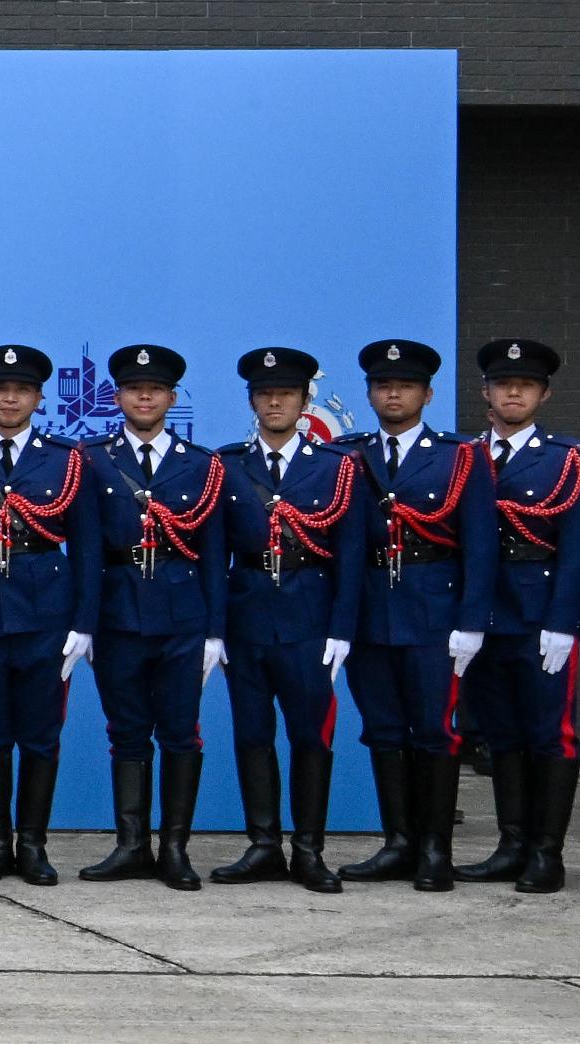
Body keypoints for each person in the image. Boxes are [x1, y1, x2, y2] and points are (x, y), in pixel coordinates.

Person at [0, 344, 98, 886]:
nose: (11, 397)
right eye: (0, 389)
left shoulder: (66, 458)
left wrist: (83, 622)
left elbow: (88, 547)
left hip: (47, 616)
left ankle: (32, 844)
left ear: (38, 397)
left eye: (23, 389)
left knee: (40, 735)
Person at [339, 337, 492, 890]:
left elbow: (479, 543)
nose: (393, 393)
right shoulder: (348, 454)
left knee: (433, 731)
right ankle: (397, 842)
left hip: (435, 610)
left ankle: (434, 847)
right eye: (383, 385)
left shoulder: (458, 456)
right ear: (371, 394)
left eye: (404, 385)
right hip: (369, 610)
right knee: (382, 729)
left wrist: (472, 621)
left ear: (428, 393)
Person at [75, 343, 223, 892]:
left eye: (155, 389)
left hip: (183, 616)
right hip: (118, 615)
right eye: (135, 389)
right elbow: (87, 549)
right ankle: (131, 844)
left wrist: (215, 631)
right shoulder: (92, 460)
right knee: (128, 733)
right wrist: (85, 623)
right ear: (117, 398)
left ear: (172, 398)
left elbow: (213, 553)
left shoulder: (202, 464)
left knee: (181, 734)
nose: (144, 396)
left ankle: (175, 849)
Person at [215, 347, 360, 892]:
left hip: (310, 619)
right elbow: (213, 554)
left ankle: (308, 850)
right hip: (246, 616)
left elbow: (349, 555)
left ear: (304, 402)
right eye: (264, 394)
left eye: (286, 394)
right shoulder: (228, 465)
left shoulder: (334, 467)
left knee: (310, 738)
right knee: (252, 735)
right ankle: (262, 845)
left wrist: (342, 628)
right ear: (252, 401)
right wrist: (215, 629)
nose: (274, 402)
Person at [457, 338, 580, 892]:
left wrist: (565, 622)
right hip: (481, 614)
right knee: (500, 735)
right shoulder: (464, 456)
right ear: (485, 391)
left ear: (544, 394)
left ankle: (546, 852)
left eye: (527, 385)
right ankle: (510, 844)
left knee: (550, 735)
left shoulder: (568, 458)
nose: (514, 392)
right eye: (504, 384)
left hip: (540, 615)